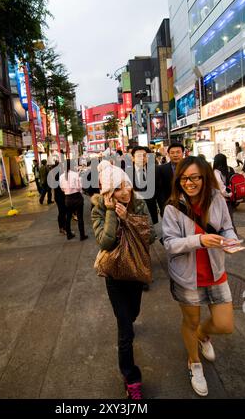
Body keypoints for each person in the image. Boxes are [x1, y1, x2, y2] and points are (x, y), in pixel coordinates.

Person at [162, 156, 238, 396]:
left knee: (225, 325)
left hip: (216, 272)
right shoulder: (173, 207)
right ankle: (194, 362)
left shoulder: (217, 199)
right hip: (187, 277)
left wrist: (230, 239)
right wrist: (200, 240)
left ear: (205, 177)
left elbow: (226, 226)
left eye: (195, 177)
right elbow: (170, 244)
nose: (189, 182)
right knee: (190, 322)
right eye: (184, 178)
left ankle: (204, 336)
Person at [91, 165, 155, 399]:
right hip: (115, 275)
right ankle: (132, 379)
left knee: (134, 312)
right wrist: (110, 213)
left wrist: (128, 219)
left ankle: (130, 318)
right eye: (117, 188)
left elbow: (151, 236)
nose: (125, 191)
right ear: (108, 192)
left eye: (126, 184)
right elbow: (105, 243)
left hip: (135, 271)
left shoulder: (138, 203)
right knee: (125, 329)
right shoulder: (98, 208)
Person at [59, 159, 88, 241]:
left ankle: (69, 234)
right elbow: (80, 187)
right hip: (77, 197)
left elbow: (62, 189)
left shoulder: (61, 176)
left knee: (68, 217)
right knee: (80, 217)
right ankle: (82, 235)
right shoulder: (76, 175)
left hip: (68, 198)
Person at [156, 142, 184, 216]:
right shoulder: (161, 169)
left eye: (178, 152)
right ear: (168, 154)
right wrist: (163, 207)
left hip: (187, 206)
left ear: (183, 153)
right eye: (172, 153)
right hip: (169, 207)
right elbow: (160, 191)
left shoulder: (189, 168)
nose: (175, 155)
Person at [213, 153, 236, 233]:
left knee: (223, 222)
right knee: (229, 221)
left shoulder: (216, 172)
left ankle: (232, 240)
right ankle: (233, 238)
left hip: (221, 199)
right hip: (229, 200)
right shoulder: (229, 169)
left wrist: (228, 194)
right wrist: (230, 195)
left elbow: (220, 187)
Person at [48, 162, 66, 234]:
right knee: (62, 212)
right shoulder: (59, 175)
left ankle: (61, 228)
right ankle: (63, 228)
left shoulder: (53, 174)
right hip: (60, 196)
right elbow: (61, 186)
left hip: (57, 196)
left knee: (61, 212)